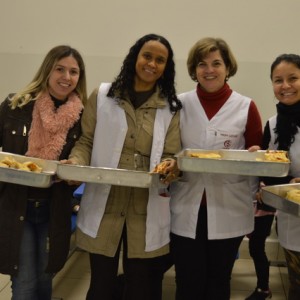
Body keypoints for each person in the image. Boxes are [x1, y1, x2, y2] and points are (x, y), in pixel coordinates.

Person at [68, 33, 182, 300]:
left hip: (145, 206)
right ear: (135, 57)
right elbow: (86, 140)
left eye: (160, 60)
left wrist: (170, 166)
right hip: (105, 204)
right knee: (101, 286)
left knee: (141, 287)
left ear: (167, 67)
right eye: (147, 56)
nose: (152, 64)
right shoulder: (104, 95)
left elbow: (171, 153)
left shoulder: (171, 107)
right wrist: (76, 162)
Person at [169, 37, 263, 300]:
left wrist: (255, 155)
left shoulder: (246, 107)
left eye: (216, 63)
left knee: (218, 282)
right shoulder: (178, 104)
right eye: (202, 64)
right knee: (188, 281)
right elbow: (166, 149)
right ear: (194, 69)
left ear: (227, 67)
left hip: (228, 207)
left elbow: (258, 153)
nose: (209, 70)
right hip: (187, 207)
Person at [0, 45, 87, 300]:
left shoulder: (81, 117)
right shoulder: (16, 105)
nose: (66, 77)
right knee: (25, 282)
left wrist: (76, 167)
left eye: (73, 72)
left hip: (55, 210)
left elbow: (86, 153)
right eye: (60, 69)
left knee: (44, 279)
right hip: (17, 207)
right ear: (47, 70)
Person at [259, 53, 300, 300]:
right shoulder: (273, 125)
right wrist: (258, 162)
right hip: (291, 222)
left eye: (293, 78)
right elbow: (270, 175)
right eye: (278, 80)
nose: (285, 86)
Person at [245, 197, 275, 300]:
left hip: (264, 210)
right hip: (252, 208)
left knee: (256, 249)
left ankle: (263, 289)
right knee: (256, 249)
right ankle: (263, 288)